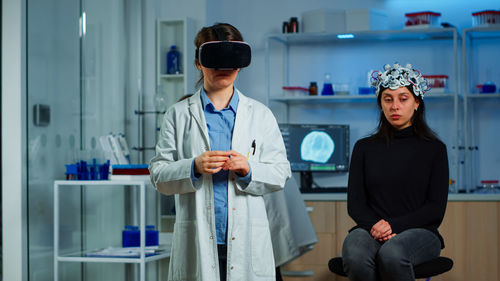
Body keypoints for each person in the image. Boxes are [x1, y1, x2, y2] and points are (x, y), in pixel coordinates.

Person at [149, 23, 291, 281]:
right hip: (198, 239)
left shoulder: (260, 115)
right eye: (215, 60)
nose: (223, 68)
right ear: (198, 63)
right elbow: (158, 176)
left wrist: (249, 169)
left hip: (247, 237)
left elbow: (281, 173)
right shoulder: (178, 115)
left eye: (230, 61)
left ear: (240, 63)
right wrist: (193, 166)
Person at [341, 63, 449, 281]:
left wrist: (392, 226)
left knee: (393, 253)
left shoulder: (434, 149)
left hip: (421, 232)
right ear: (381, 104)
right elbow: (356, 204)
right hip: (371, 229)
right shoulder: (364, 148)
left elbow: (435, 209)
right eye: (388, 99)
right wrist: (376, 226)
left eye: (403, 98)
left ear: (417, 102)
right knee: (355, 253)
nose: (395, 106)